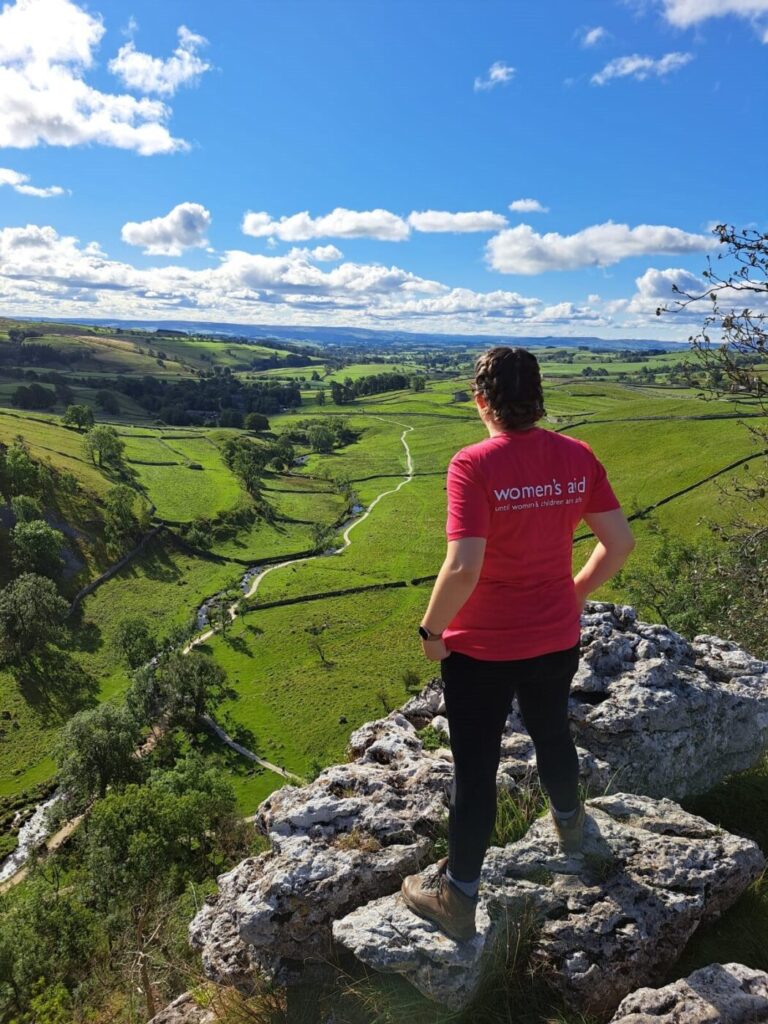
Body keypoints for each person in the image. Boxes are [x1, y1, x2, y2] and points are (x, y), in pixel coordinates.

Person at [400, 345, 635, 942]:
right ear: (538, 398)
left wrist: (432, 633)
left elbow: (462, 568)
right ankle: (572, 831)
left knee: (475, 769)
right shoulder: (576, 455)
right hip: (555, 634)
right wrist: (575, 593)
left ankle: (458, 898)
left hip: (479, 647)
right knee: (552, 730)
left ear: (483, 402)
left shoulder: (472, 464)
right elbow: (619, 543)